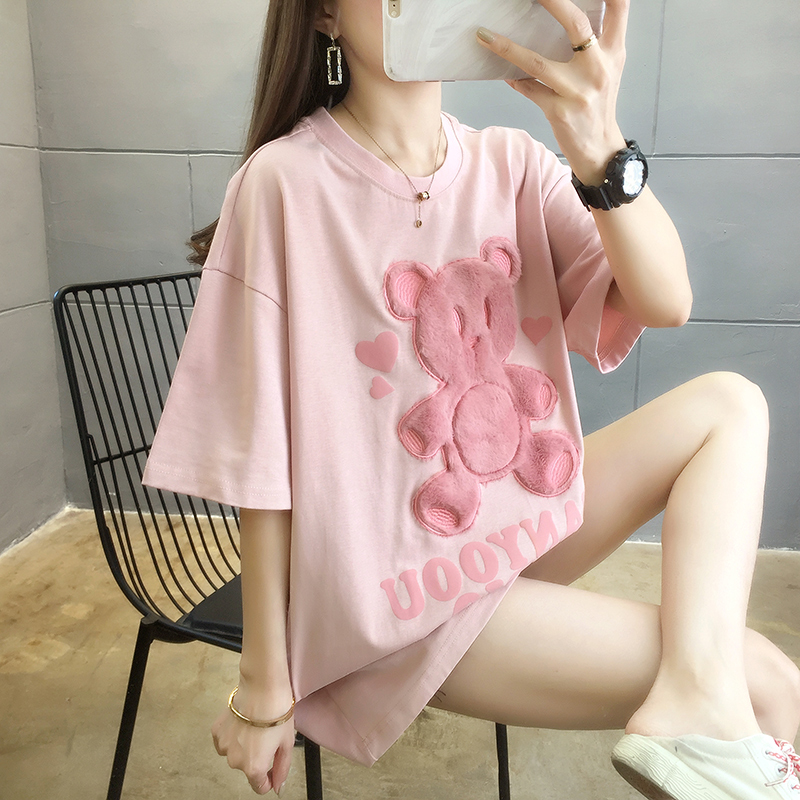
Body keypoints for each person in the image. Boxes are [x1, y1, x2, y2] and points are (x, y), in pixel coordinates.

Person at [141, 0, 800, 797]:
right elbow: (261, 455)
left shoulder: (511, 163)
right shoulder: (283, 183)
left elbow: (667, 300)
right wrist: (264, 684)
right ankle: (703, 705)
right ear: (323, 15)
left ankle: (695, 701)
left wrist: (600, 143)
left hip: (506, 530)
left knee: (731, 405)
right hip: (391, 599)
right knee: (767, 680)